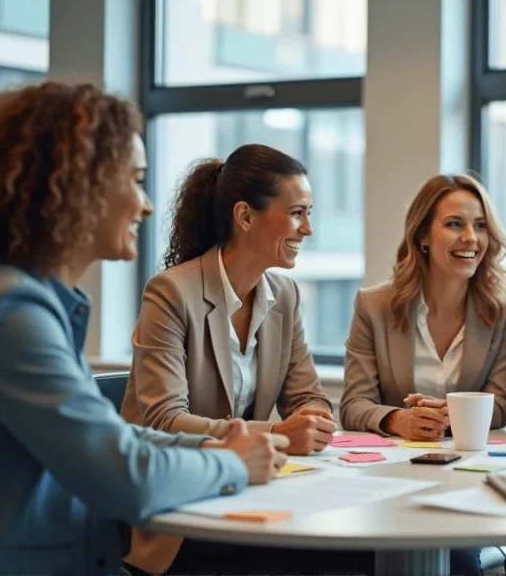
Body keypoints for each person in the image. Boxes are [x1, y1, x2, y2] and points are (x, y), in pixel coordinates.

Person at [0, 82, 286, 576]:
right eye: (136, 180)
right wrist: (234, 464)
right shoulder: (9, 314)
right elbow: (125, 476)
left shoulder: (31, 307)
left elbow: (111, 438)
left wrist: (211, 445)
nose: (146, 205)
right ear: (79, 185)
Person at [121, 144, 367, 575]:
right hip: (178, 509)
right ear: (246, 216)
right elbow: (162, 420)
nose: (307, 229)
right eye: (296, 213)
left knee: (362, 551)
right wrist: (277, 432)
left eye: (308, 213)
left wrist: (311, 417)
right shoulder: (171, 293)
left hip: (251, 495)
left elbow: (307, 394)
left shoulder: (285, 296)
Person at [341, 173, 506, 576]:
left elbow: (503, 403)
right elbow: (353, 405)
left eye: (479, 226)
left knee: (457, 558)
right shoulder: (374, 306)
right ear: (423, 234)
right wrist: (398, 419)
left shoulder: (503, 308)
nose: (470, 238)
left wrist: (455, 414)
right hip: (391, 479)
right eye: (454, 224)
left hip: (469, 481)